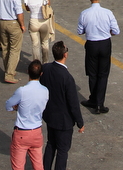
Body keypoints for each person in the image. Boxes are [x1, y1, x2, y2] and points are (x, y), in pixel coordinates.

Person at [40, 41, 84, 170]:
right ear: (65, 55)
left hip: (50, 116)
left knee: (51, 145)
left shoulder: (46, 68)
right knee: (63, 151)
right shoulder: (67, 78)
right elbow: (73, 103)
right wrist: (80, 123)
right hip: (64, 121)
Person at [76, 0, 120, 114]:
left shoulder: (84, 13)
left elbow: (80, 31)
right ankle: (100, 103)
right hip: (105, 44)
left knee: (92, 73)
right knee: (103, 74)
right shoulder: (107, 13)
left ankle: (93, 99)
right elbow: (116, 30)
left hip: (92, 44)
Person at [5, 60, 49, 170]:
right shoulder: (45, 91)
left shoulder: (22, 91)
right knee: (38, 165)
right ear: (41, 74)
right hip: (37, 132)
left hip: (22, 133)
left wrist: (15, 107)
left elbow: (8, 105)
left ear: (28, 72)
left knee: (18, 166)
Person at [23, 0, 52, 64]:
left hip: (33, 21)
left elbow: (27, 9)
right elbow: (48, 5)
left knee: (35, 45)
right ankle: (45, 63)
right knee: (45, 43)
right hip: (44, 21)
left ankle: (36, 64)